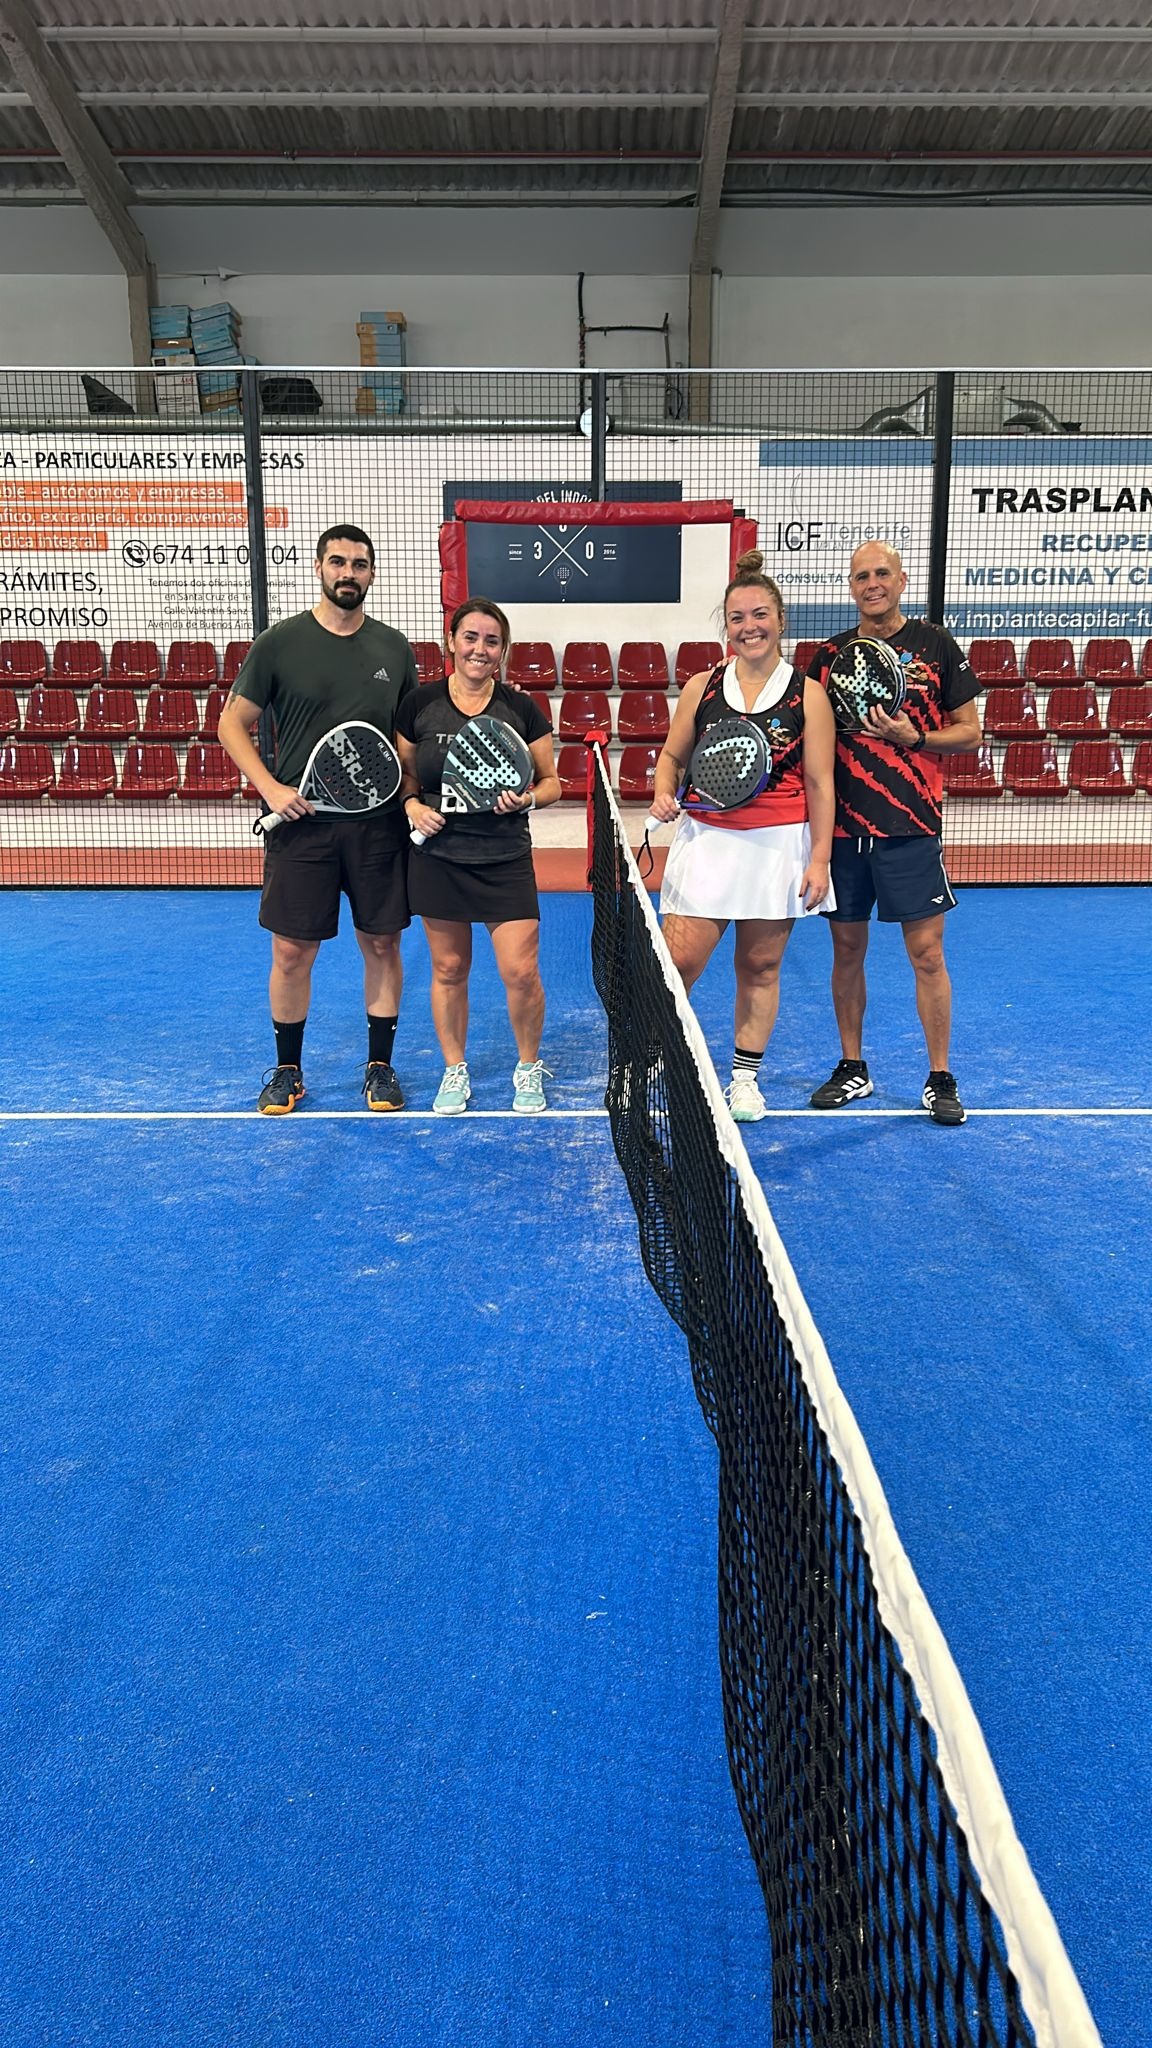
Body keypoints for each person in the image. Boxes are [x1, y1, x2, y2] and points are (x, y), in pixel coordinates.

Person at [217, 524, 418, 1115]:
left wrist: (411, 798)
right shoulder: (279, 643)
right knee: (291, 952)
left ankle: (380, 1066)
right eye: (338, 562)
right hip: (301, 827)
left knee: (381, 942)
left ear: (371, 574)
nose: (348, 573)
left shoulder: (394, 649)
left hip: (378, 828)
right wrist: (270, 787)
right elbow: (231, 723)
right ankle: (287, 1070)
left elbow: (403, 742)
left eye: (359, 564)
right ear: (318, 567)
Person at [649, 549, 837, 1123]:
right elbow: (672, 757)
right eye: (737, 618)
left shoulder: (807, 694)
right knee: (677, 963)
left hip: (778, 848)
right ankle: (653, 1057)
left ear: (780, 620)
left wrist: (820, 860)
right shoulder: (701, 686)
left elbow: (820, 783)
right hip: (707, 842)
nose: (749, 627)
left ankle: (744, 1079)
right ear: (725, 626)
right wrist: (663, 790)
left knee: (760, 968)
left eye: (760, 615)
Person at [804, 541, 982, 1126]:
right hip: (843, 830)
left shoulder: (936, 646)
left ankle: (940, 1076)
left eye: (882, 573)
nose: (872, 583)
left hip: (911, 826)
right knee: (846, 950)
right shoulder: (828, 657)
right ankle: (852, 1066)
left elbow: (971, 733)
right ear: (851, 587)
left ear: (901, 581)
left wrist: (916, 738)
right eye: (861, 576)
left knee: (927, 954)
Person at [395, 597, 560, 1115]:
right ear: (452, 641)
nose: (479, 649)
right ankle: (454, 1068)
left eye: (492, 641)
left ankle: (528, 1066)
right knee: (448, 968)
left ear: (502, 651)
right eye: (470, 637)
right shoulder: (419, 705)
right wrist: (412, 807)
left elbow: (552, 783)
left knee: (521, 971)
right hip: (439, 856)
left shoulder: (522, 710)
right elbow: (406, 775)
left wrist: (527, 799)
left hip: (504, 856)